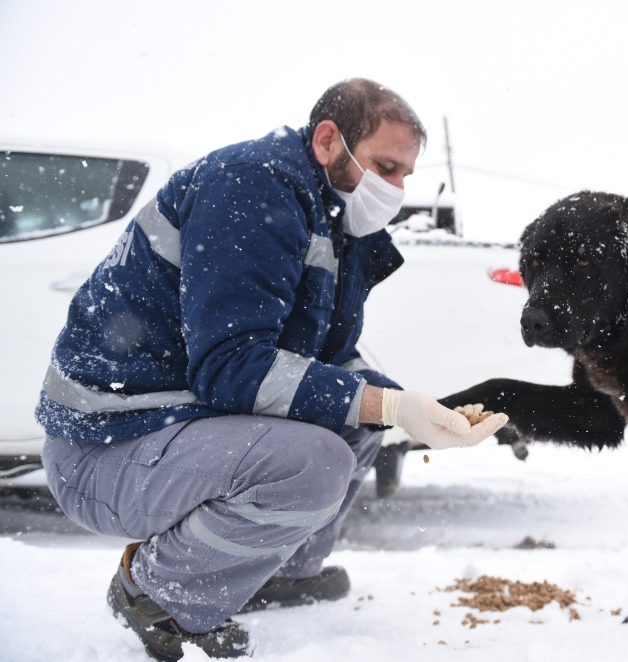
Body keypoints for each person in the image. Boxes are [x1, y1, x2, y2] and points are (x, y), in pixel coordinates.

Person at [35, 78, 507, 660]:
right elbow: (230, 366)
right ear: (328, 141)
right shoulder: (249, 187)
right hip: (105, 449)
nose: (397, 189)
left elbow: (328, 359)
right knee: (315, 461)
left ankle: (275, 575)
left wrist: (409, 408)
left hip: (172, 427)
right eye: (386, 167)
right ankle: (157, 590)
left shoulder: (333, 219)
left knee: (358, 421)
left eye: (406, 173)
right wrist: (385, 404)